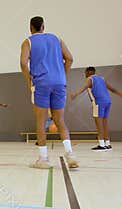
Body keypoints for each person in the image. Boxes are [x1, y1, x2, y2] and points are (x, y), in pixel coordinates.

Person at [20, 16, 78, 169]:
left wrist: (29, 78)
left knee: (41, 121)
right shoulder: (57, 39)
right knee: (60, 121)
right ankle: (70, 154)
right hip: (60, 83)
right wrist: (62, 76)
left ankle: (43, 159)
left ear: (31, 27)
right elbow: (70, 59)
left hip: (41, 84)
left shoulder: (28, 42)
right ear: (43, 26)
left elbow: (23, 63)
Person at [71, 66, 122, 151]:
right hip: (108, 102)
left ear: (87, 73)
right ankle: (108, 144)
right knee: (105, 123)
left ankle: (101, 144)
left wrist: (76, 93)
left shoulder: (89, 79)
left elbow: (85, 87)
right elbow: (112, 89)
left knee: (99, 124)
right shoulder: (102, 79)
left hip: (99, 103)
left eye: (85, 73)